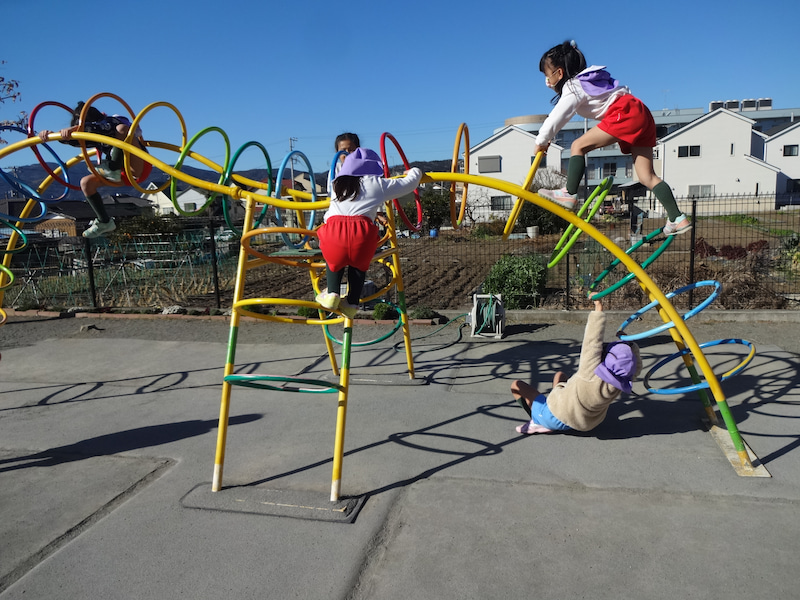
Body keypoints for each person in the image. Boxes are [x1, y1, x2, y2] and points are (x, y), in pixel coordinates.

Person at [533, 40, 691, 236]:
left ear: (559, 73)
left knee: (578, 146)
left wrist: (541, 141)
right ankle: (677, 217)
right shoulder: (586, 81)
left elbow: (557, 116)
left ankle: (569, 193)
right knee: (646, 176)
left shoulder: (573, 86)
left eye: (547, 76)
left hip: (625, 112)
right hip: (641, 112)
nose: (547, 82)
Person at [511, 293, 642, 434]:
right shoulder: (623, 380)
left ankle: (537, 421)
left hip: (555, 416)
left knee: (516, 386)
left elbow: (592, 342)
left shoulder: (591, 373)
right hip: (585, 422)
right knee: (560, 376)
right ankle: (547, 415)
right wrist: (630, 344)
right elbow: (636, 366)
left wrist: (598, 308)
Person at [316, 148, 422, 318]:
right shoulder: (376, 184)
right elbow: (409, 184)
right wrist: (414, 171)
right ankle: (351, 303)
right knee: (358, 265)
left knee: (333, 259)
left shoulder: (336, 184)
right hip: (362, 233)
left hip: (334, 230)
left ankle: (332, 293)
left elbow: (329, 213)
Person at [38, 101, 151, 238]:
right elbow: (75, 140)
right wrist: (54, 135)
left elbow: (108, 127)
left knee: (122, 130)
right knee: (86, 183)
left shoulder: (114, 120)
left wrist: (77, 128)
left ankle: (112, 168)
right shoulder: (95, 137)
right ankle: (104, 222)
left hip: (137, 167)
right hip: (122, 175)